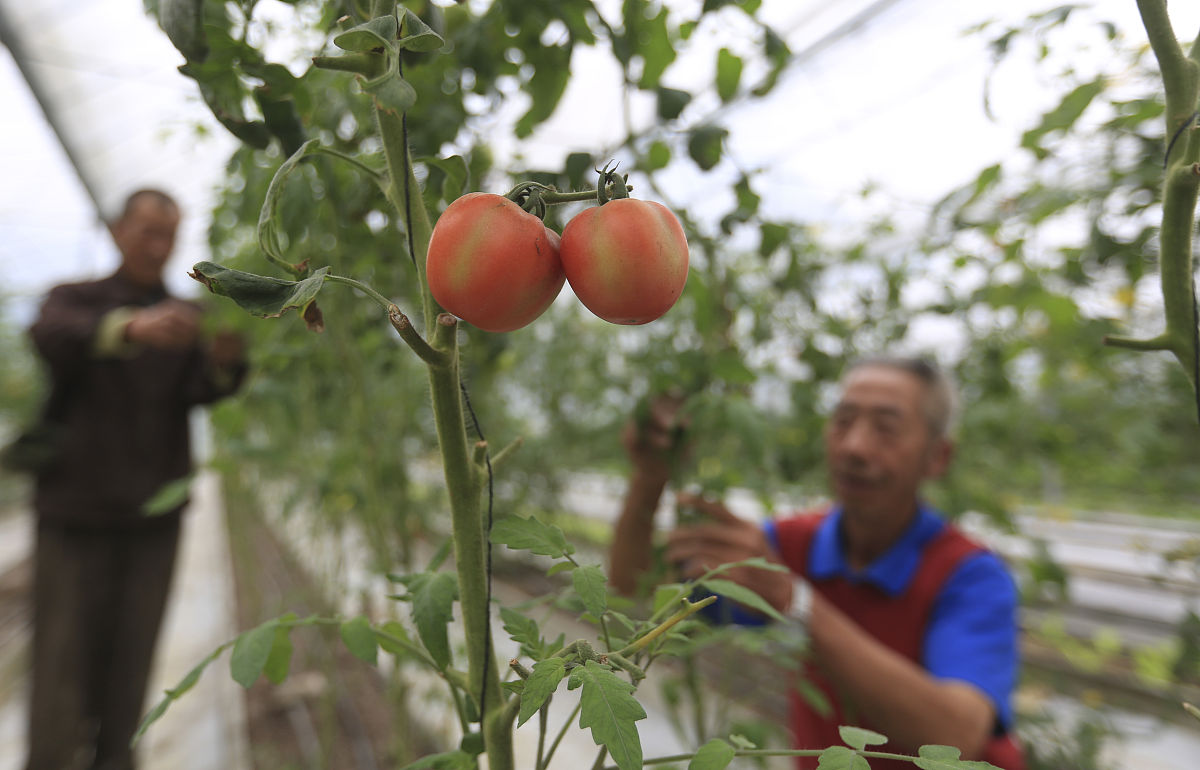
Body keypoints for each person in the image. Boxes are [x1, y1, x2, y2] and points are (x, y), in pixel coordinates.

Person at [610, 357, 1025, 770]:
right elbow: (636, 595)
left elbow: (958, 735)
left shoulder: (969, 575)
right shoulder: (790, 545)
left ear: (938, 456)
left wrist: (796, 601)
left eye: (886, 428)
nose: (854, 446)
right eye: (843, 421)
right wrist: (650, 478)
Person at [24, 189, 246, 770]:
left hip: (153, 519)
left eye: (168, 235)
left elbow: (202, 389)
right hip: (76, 517)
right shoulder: (76, 300)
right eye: (147, 231)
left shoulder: (188, 316)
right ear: (118, 231)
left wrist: (224, 361)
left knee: (132, 664)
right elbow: (49, 337)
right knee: (60, 669)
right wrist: (129, 330)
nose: (157, 246)